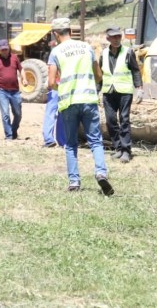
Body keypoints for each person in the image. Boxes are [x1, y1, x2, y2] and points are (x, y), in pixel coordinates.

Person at [47, 17, 114, 196]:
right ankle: (101, 173)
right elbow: (98, 75)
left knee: (70, 144)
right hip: (88, 99)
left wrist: (59, 87)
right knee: (95, 140)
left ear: (55, 33)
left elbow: (51, 81)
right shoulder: (86, 47)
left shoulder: (56, 52)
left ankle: (74, 182)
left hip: (69, 102)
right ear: (70, 30)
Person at [98, 26, 143, 163]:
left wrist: (139, 88)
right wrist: (96, 90)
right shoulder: (103, 54)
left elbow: (135, 71)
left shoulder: (128, 52)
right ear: (108, 38)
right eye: (114, 37)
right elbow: (100, 74)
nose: (117, 39)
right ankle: (118, 148)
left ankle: (126, 151)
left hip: (124, 92)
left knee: (124, 120)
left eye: (119, 36)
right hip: (109, 92)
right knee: (111, 121)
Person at [0, 39, 28, 140]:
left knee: (18, 114)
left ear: (9, 48)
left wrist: (24, 79)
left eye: (6, 49)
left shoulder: (15, 58)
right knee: (5, 114)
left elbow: (21, 69)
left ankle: (13, 130)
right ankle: (9, 136)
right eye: (2, 50)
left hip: (15, 91)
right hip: (2, 90)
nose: (5, 51)